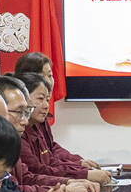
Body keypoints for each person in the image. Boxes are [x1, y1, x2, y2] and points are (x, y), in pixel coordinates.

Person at [11, 51, 111, 183]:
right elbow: (35, 172)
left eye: (50, 75)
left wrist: (78, 163)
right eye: (41, 76)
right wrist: (80, 175)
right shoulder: (18, 128)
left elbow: (51, 153)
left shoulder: (39, 117)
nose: (48, 82)